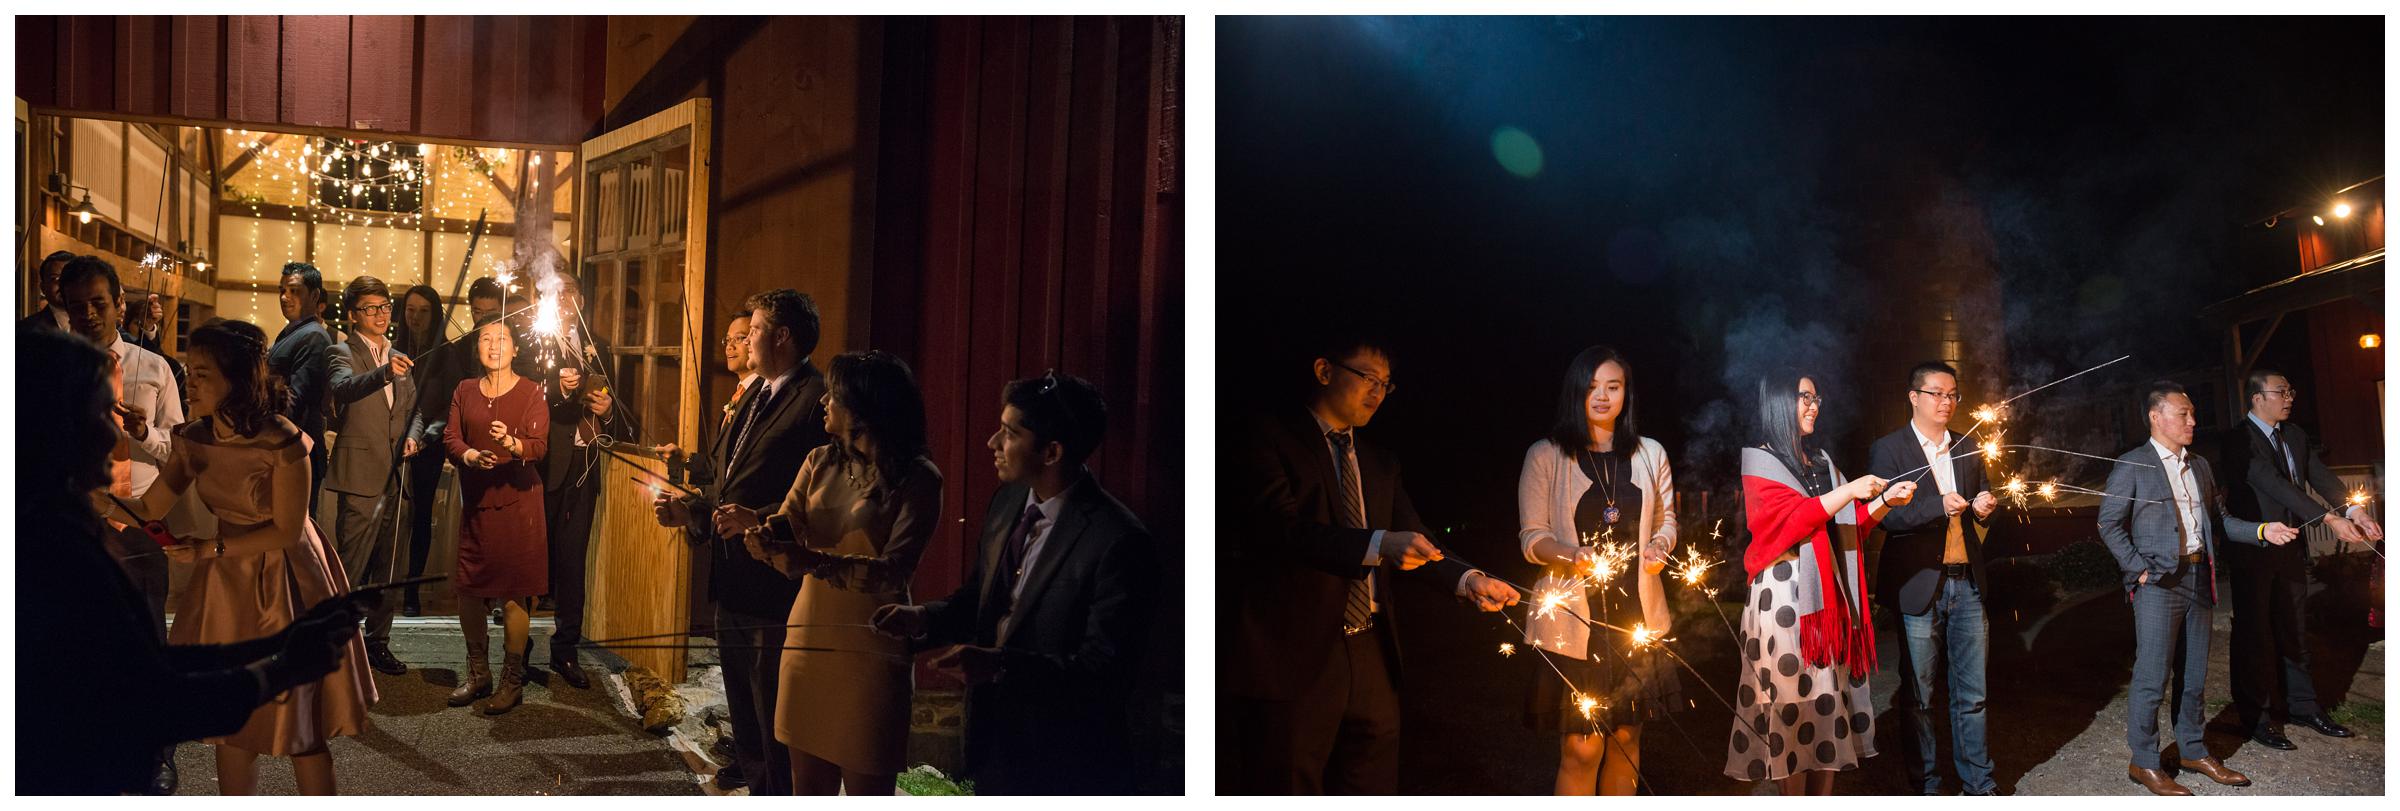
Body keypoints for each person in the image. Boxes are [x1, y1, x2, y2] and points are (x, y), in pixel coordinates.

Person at [18, 326, 366, 796]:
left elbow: (286, 528)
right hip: (224, 573)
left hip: (282, 571)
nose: (190, 384)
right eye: (102, 414)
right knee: (232, 733)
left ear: (237, 380)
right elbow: (147, 510)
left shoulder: (280, 439)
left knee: (299, 724)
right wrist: (105, 500)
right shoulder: (60, 545)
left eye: (201, 374)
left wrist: (211, 555)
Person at [1218, 335, 1521, 795]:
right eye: (1367, 378)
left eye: (1386, 384)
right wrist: (1379, 544)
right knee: (1288, 780)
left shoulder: (1380, 463)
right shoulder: (1268, 437)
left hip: (1372, 649)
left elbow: (1416, 537)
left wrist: (1469, 579)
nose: (1377, 393)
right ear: (1324, 370)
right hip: (1296, 651)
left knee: (1372, 780)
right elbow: (1280, 531)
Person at [871, 372, 1159, 794]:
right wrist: (922, 618)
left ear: (1052, 451)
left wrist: (1001, 665)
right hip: (992, 739)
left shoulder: (1118, 539)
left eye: (1009, 433)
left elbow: (1105, 671)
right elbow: (981, 597)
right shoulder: (1008, 502)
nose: (992, 443)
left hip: (1067, 757)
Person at [717, 350, 939, 797]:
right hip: (807, 641)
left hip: (870, 648)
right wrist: (762, 531)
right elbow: (790, 520)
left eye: (833, 396)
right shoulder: (821, 460)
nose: (823, 403)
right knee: (807, 792)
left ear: (864, 408)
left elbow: (894, 573)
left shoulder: (917, 478)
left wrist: (814, 562)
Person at [652, 289, 829, 795]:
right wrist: (692, 511)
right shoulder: (754, 392)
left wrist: (764, 520)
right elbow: (725, 484)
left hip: (773, 577)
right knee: (742, 708)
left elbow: (817, 492)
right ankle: (756, 789)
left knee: (772, 705)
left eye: (753, 331)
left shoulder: (814, 399)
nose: (745, 340)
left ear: (783, 336)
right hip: (731, 572)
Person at [2100, 380, 2297, 795]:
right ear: (2156, 418)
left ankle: (2191, 749)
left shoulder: (2200, 466)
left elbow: (2221, 521)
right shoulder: (2134, 464)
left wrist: (2263, 529)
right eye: (2183, 414)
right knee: (2152, 677)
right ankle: (2145, 762)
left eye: (2192, 413)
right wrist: (2137, 569)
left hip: (2197, 578)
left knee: (2193, 677)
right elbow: (2109, 523)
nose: (2193, 420)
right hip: (2157, 583)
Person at [1725, 371, 1913, 795]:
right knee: (1791, 706)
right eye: (1804, 397)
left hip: (1826, 597)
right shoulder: (1760, 462)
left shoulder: (1822, 462)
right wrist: (1850, 493)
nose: (1814, 405)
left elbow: (1847, 530)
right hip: (1783, 599)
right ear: (1778, 402)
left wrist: (1884, 501)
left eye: (1816, 397)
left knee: (1829, 703)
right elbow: (1792, 523)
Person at [1515, 346, 1682, 796]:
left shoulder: (1651, 453)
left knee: (1627, 740)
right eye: (1592, 387)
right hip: (1575, 625)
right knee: (1582, 748)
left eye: (1614, 386)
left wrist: (1661, 545)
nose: (1603, 396)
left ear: (1627, 392)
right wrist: (1572, 553)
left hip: (1637, 623)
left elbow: (1667, 519)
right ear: (1575, 392)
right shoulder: (1546, 455)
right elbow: (1532, 538)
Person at [2220, 369, 2378, 750]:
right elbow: (2274, 485)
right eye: (2281, 391)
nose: (2290, 397)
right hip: (2254, 550)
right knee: (2255, 635)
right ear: (2258, 398)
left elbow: (2319, 476)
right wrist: (2328, 519)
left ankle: (2304, 707)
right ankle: (2256, 718)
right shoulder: (2238, 440)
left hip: (2291, 548)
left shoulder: (2295, 435)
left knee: (2295, 630)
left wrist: (2354, 511)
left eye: (2291, 390)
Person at [1866, 361, 1998, 795]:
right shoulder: (1889, 449)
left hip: (1967, 583)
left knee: (1972, 695)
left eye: (1953, 394)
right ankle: (1927, 788)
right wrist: (1939, 505)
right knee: (1919, 696)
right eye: (1937, 393)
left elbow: (1979, 514)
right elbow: (1887, 518)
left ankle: (1978, 785)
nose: (1947, 402)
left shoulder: (1968, 446)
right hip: (1918, 585)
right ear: (1914, 397)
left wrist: (1982, 508)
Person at [59, 256, 186, 633]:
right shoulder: (49, 366)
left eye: (99, 303)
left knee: (145, 629)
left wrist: (145, 433)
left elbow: (179, 450)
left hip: (139, 516)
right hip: (71, 517)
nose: (89, 314)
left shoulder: (155, 367)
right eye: (77, 305)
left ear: (120, 304)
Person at [442, 316, 552, 715]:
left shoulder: (532, 391)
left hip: (518, 502)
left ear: (515, 349)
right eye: (486, 339)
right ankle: (478, 673)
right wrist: (471, 454)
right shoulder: (464, 389)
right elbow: (452, 437)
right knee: (470, 590)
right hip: (478, 500)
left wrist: (513, 443)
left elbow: (539, 446)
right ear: (477, 348)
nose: (493, 345)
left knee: (514, 592)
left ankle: (512, 680)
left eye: (502, 339)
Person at [539, 278, 628, 690]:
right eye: (557, 293)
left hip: (586, 462)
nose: (565, 300)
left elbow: (614, 406)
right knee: (537, 557)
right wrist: (558, 387)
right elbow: (530, 397)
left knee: (573, 559)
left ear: (582, 298)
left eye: (572, 291)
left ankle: (566, 650)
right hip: (546, 462)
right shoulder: (536, 342)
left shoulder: (598, 343)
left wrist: (607, 410)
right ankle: (515, 653)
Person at [326, 276, 417, 676]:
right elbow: (343, 390)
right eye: (370, 308)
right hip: (361, 473)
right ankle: (337, 645)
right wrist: (384, 373)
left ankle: (378, 642)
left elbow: (414, 411)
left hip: (398, 474)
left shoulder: (399, 355)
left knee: (390, 567)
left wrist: (415, 438)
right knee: (351, 565)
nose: (380, 315)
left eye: (384, 307)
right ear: (352, 315)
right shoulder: (341, 351)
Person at [399, 278, 501, 616]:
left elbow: (450, 404)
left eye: (424, 312)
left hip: (428, 445)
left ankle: (413, 590)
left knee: (421, 516)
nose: (416, 317)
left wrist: (427, 435)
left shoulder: (446, 353)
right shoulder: (393, 350)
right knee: (390, 519)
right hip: (392, 442)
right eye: (410, 310)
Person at [269, 261, 335, 509]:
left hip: (296, 451)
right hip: (288, 449)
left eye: (294, 290)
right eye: (282, 290)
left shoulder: (313, 336)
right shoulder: (293, 332)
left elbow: (295, 401)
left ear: (315, 295)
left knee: (296, 534)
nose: (285, 297)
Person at [20, 249, 76, 331]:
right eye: (55, 278)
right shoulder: (24, 330)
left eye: (70, 277)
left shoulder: (97, 324)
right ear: (43, 288)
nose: (64, 284)